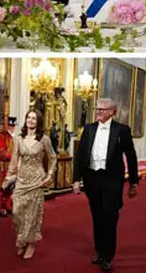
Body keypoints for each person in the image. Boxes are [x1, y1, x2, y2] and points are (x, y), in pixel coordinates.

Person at [72, 98, 139, 272]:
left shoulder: (121, 130)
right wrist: (76, 179)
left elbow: (131, 156)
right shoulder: (89, 129)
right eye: (97, 109)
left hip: (111, 180)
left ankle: (108, 256)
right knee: (97, 216)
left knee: (110, 215)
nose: (98, 111)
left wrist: (133, 182)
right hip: (92, 179)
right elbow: (80, 156)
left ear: (112, 112)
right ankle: (100, 252)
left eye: (102, 109)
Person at [2, 110, 57, 260]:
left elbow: (52, 158)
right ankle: (22, 237)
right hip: (22, 179)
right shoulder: (19, 139)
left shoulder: (44, 139)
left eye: (34, 118)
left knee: (32, 214)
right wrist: (9, 177)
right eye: (28, 117)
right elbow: (14, 159)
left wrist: (49, 175)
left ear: (38, 121)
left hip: (36, 179)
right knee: (16, 211)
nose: (31, 120)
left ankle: (31, 243)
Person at [0, 116, 16, 216]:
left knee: (10, 187)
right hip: (3, 166)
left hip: (12, 166)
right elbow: (1, 153)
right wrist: (14, 156)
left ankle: (7, 205)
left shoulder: (13, 138)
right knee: (1, 186)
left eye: (12, 126)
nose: (11, 128)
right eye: (9, 126)